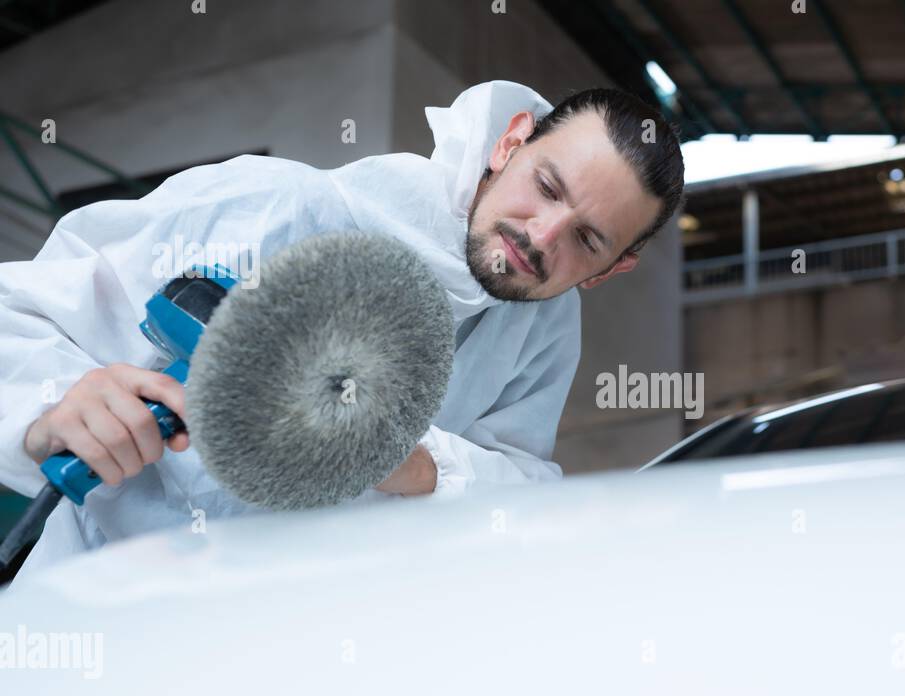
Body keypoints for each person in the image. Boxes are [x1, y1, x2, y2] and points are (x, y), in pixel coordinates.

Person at [0, 80, 685, 581]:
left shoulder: (541, 327)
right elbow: (17, 316)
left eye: (587, 239)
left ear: (611, 269)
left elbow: (523, 493)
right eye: (547, 185)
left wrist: (404, 461)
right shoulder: (279, 208)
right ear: (509, 143)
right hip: (100, 612)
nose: (540, 237)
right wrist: (53, 409)